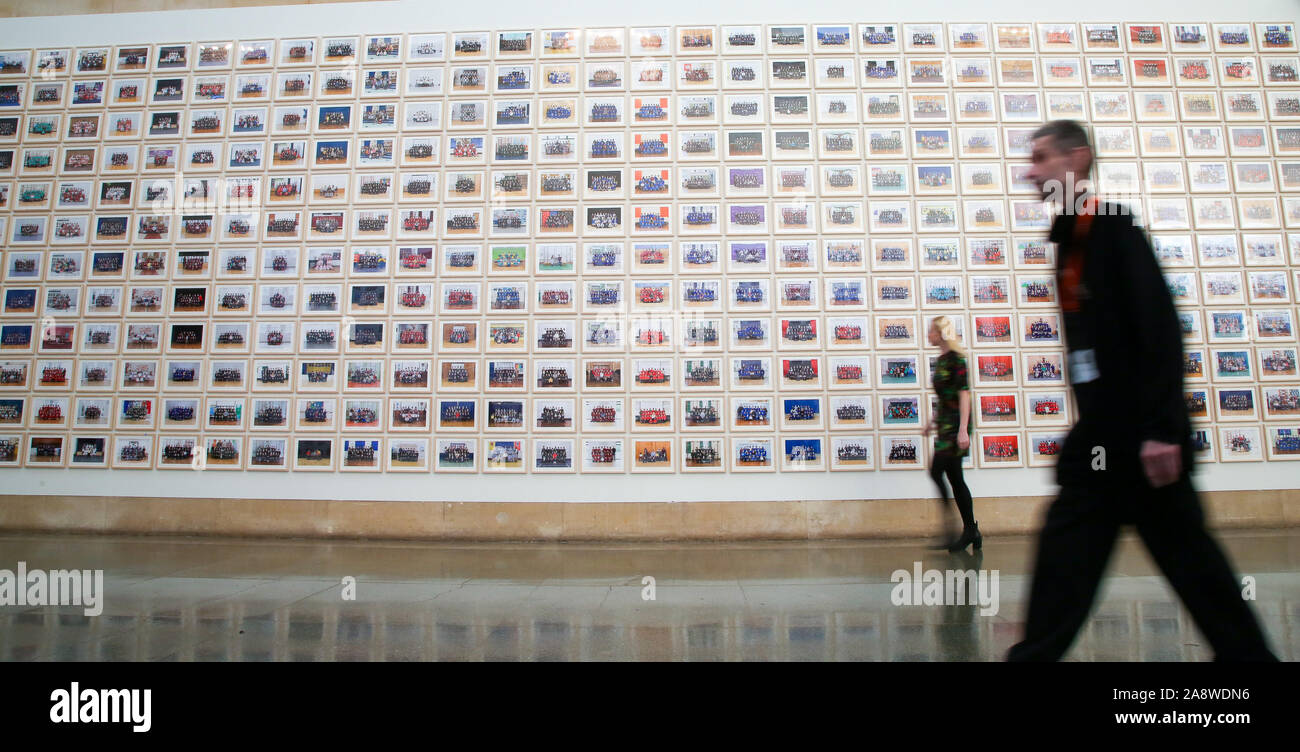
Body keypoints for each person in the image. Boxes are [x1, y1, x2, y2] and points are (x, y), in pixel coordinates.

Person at [1006, 120, 1277, 661]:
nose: (1029, 172)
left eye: (1041, 159)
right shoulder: (1070, 239)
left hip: (1141, 442)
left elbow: (1159, 328)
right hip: (1105, 441)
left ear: (1076, 160)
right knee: (1070, 555)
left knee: (1196, 569)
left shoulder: (1110, 230)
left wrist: (1158, 430)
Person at [922, 315, 978, 552]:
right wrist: (932, 421)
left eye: (931, 331)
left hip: (956, 425)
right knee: (954, 477)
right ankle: (970, 530)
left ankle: (956, 529)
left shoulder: (957, 359)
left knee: (938, 472)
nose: (928, 335)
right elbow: (944, 396)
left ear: (941, 333)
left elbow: (964, 395)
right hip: (945, 422)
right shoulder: (942, 360)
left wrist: (963, 430)